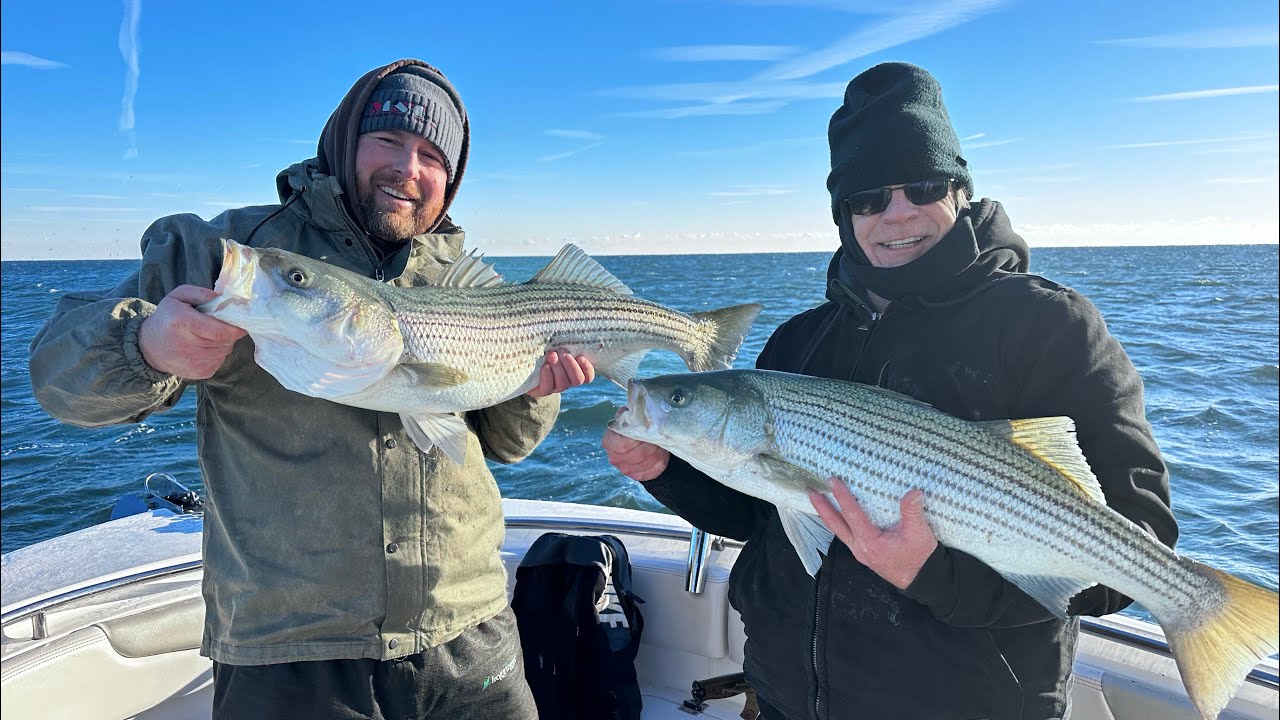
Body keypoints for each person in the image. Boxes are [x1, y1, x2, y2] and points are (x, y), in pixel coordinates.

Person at [603, 62, 1178, 720]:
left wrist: (934, 575)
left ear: (960, 191)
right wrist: (666, 469)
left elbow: (1140, 541)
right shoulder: (799, 342)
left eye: (923, 186)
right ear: (844, 215)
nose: (896, 214)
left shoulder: (1048, 326)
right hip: (784, 699)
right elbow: (760, 515)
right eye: (868, 198)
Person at [29, 58, 595, 720]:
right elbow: (58, 381)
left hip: (466, 631)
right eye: (387, 140)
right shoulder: (237, 255)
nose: (408, 168)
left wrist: (537, 388)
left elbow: (508, 445)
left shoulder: (470, 285)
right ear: (344, 140)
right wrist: (148, 345)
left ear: (452, 177)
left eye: (431, 154)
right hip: (287, 653)